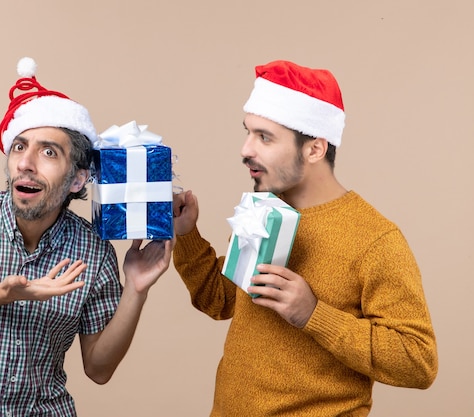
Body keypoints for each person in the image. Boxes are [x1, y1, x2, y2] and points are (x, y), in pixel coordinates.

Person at [0, 57, 172, 416]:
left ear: (77, 179)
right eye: (20, 147)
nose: (26, 162)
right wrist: (2, 294)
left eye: (48, 152)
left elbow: (98, 369)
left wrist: (136, 289)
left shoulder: (94, 250)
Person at [172, 60, 438, 416]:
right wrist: (187, 234)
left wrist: (313, 314)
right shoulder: (265, 211)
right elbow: (220, 300)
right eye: (248, 132)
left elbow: (418, 361)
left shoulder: (376, 239)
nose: (245, 149)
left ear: (314, 148)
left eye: (264, 137)